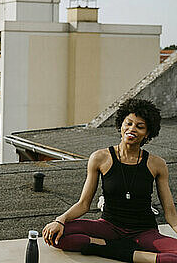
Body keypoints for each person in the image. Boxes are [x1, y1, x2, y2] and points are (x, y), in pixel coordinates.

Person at [42, 98, 177, 263]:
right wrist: (59, 220)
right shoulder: (100, 158)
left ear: (148, 134)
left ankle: (116, 250)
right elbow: (84, 204)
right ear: (121, 125)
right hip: (108, 227)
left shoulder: (157, 164)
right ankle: (129, 250)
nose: (132, 129)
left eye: (139, 126)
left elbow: (170, 212)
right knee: (58, 236)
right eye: (128, 124)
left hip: (144, 232)